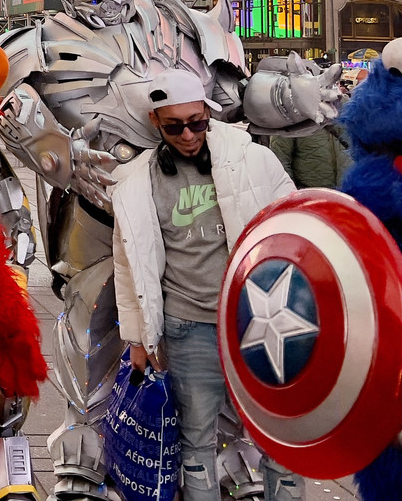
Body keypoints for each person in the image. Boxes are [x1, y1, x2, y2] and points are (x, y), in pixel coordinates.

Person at [111, 69, 302, 501]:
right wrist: (136, 339)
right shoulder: (136, 181)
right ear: (155, 121)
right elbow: (128, 264)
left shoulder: (253, 159)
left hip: (260, 322)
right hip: (188, 327)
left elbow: (295, 227)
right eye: (174, 126)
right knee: (196, 443)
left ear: (208, 113)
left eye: (196, 122)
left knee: (280, 438)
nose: (188, 135)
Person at [270, 126, 352, 189]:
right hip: (310, 196)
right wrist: (292, 191)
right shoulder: (292, 116)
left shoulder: (351, 112)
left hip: (350, 193)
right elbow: (280, 158)